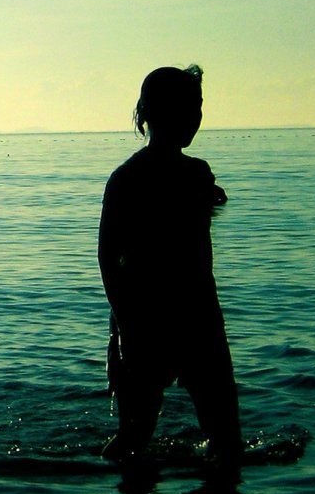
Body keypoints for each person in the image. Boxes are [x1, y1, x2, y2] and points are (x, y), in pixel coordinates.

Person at [98, 64, 241, 463]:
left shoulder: (196, 173)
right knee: (134, 437)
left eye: (198, 106)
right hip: (143, 321)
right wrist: (125, 327)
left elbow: (200, 203)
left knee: (226, 440)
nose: (195, 117)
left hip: (200, 319)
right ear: (153, 114)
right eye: (187, 108)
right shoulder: (127, 179)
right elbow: (107, 257)